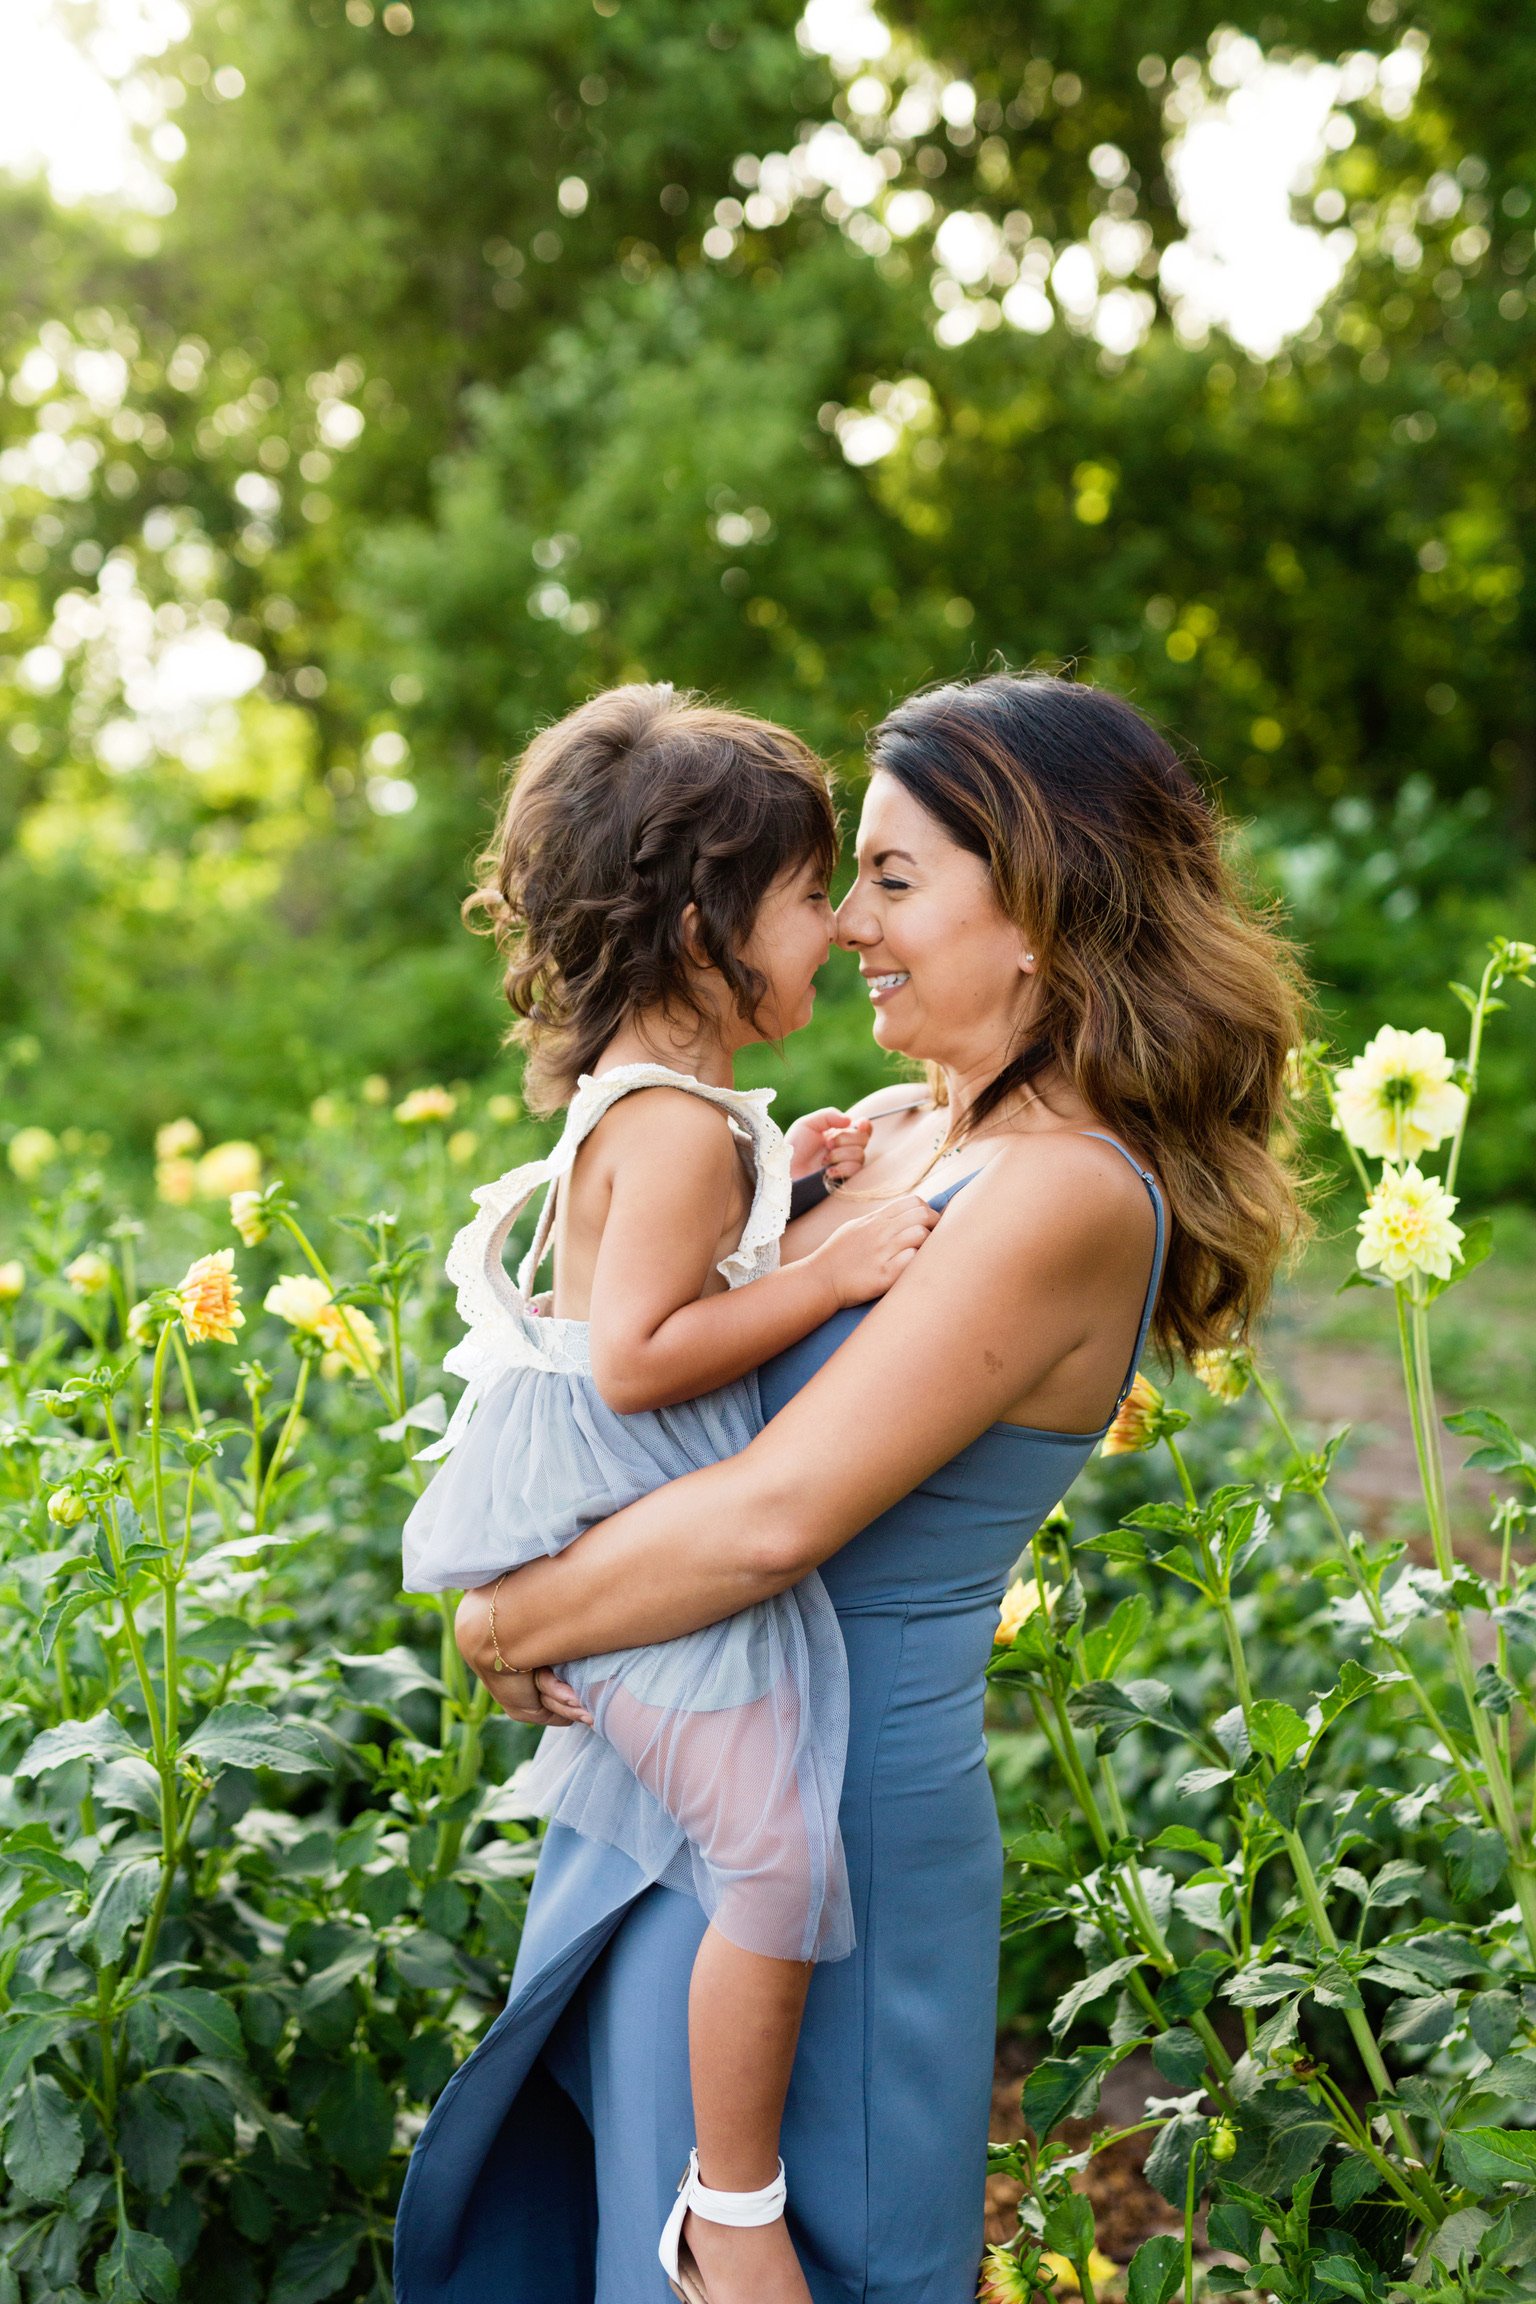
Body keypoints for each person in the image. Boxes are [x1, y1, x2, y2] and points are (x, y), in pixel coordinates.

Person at [393, 672, 1306, 2304]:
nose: (850, 924)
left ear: (1041, 910)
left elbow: (773, 1516)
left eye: (890, 878)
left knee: (801, 2254)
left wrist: (504, 1620)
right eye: (841, 882)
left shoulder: (1067, 1194)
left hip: (829, 1837)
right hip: (675, 1780)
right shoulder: (886, 1134)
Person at [401, 682, 937, 2304]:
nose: (840, 925)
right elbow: (641, 1357)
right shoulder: (680, 1127)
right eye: (810, 892)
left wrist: (794, 1192)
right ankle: (731, 2202)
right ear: (704, 931)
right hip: (628, 1511)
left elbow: (677, 1277)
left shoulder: (676, 1110)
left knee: (745, 1848)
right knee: (773, 1862)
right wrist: (827, 1269)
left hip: (611, 1511)